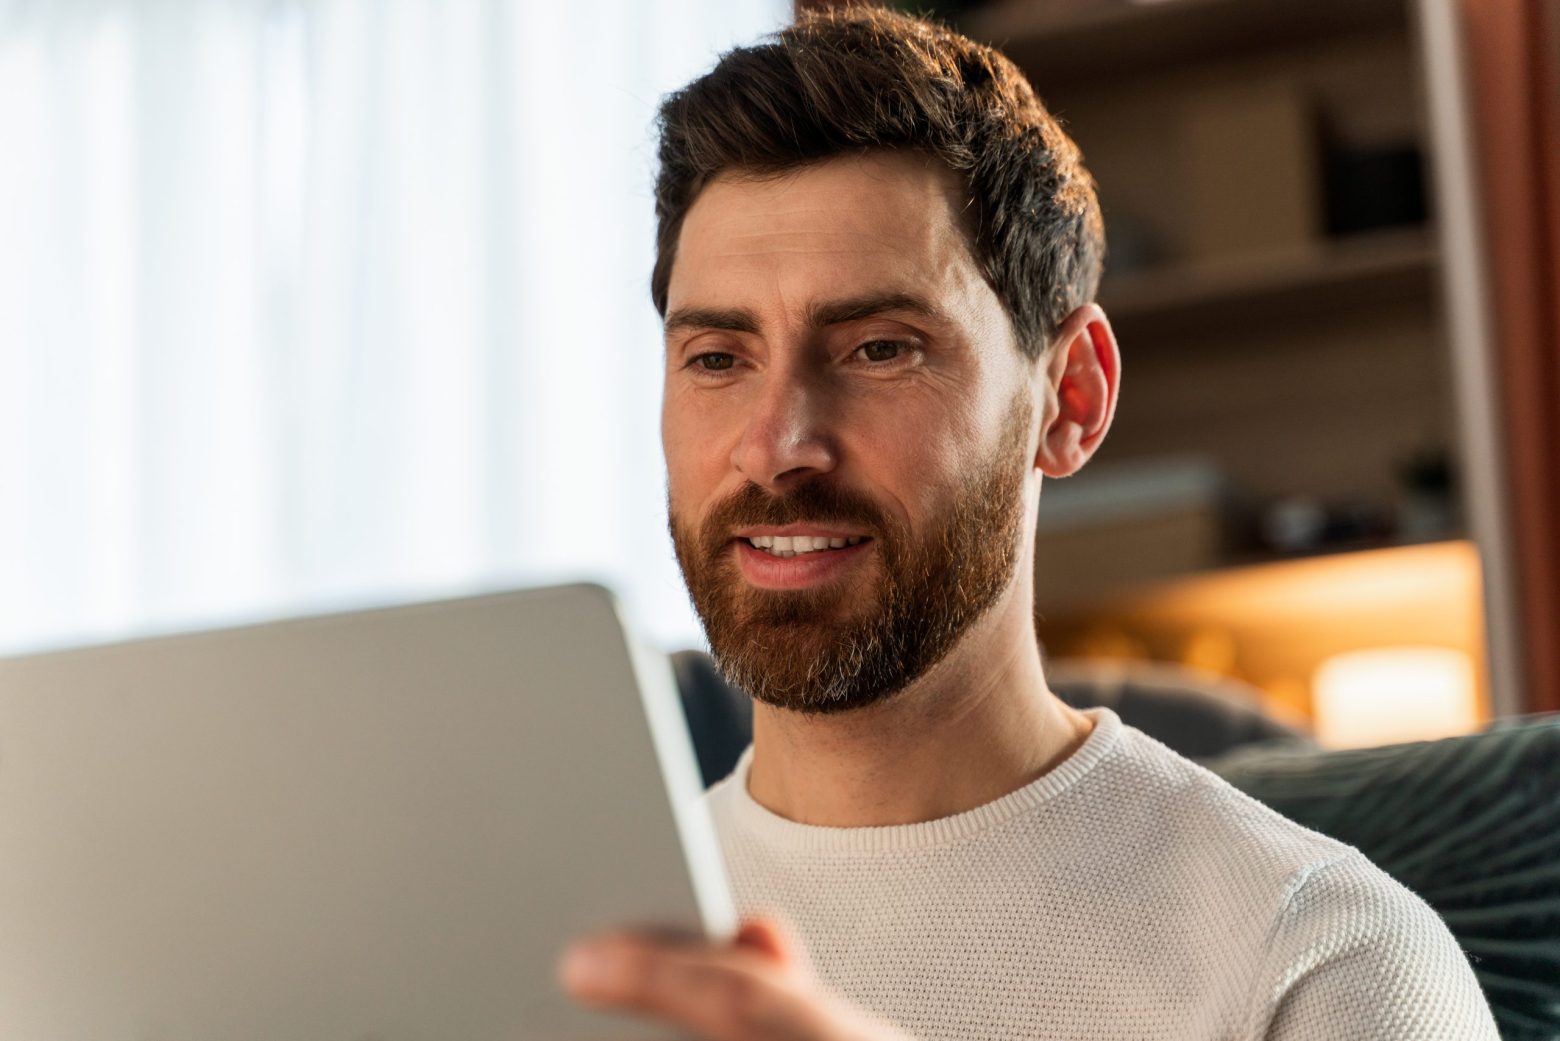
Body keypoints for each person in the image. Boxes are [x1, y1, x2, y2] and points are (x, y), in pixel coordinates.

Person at [558, 8, 1501, 1040]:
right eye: (717, 359)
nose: (777, 444)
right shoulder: (568, 948)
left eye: (880, 348)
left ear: (1071, 399)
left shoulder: (1324, 960)